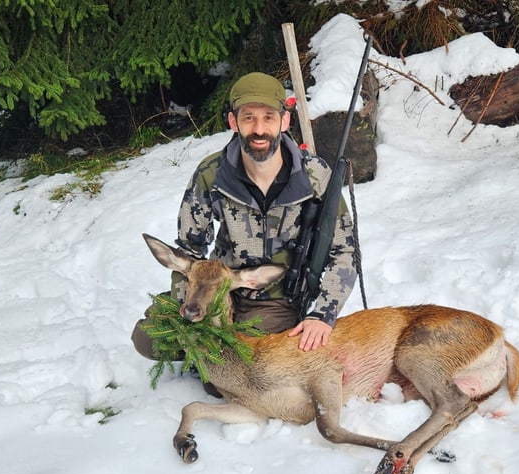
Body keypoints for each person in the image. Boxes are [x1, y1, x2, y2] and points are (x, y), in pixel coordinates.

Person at [131, 72, 357, 370]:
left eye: (268, 118)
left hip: (275, 300)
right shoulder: (212, 173)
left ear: (285, 121)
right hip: (215, 288)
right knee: (148, 338)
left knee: (235, 367)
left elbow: (345, 253)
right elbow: (189, 248)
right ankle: (214, 353)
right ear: (233, 122)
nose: (259, 129)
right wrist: (187, 300)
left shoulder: (315, 176)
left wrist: (322, 314)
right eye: (248, 118)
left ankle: (223, 361)